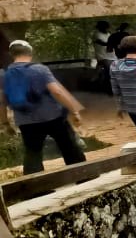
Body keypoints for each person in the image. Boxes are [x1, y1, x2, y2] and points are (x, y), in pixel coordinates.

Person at [3, 40, 86, 174]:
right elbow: (57, 92)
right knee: (69, 146)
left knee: (33, 153)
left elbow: (2, 101)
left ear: (12, 54)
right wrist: (74, 111)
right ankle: (82, 175)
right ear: (30, 52)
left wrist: (5, 123)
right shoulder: (39, 69)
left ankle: (36, 188)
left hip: (26, 122)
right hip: (52, 116)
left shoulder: (5, 74)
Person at [91, 20, 113, 90]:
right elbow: (102, 43)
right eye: (104, 27)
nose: (106, 29)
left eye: (107, 27)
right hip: (102, 56)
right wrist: (114, 42)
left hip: (111, 55)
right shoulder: (96, 34)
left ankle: (99, 82)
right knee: (109, 68)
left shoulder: (109, 34)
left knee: (100, 71)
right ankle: (108, 86)